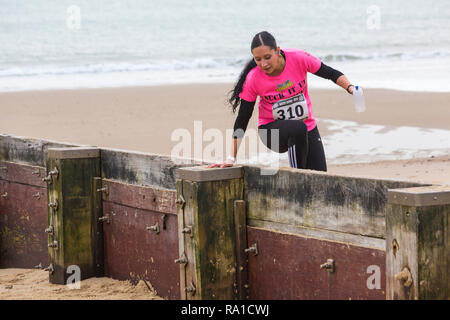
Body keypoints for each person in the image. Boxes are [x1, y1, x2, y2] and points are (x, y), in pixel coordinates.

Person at [207, 31, 355, 171]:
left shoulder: (299, 58)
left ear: (277, 51)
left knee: (320, 176)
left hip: (307, 127)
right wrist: (230, 158)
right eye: (258, 60)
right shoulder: (253, 78)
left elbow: (330, 73)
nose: (264, 64)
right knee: (297, 128)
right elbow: (243, 118)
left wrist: (350, 87)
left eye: (267, 57)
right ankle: (296, 177)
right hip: (271, 132)